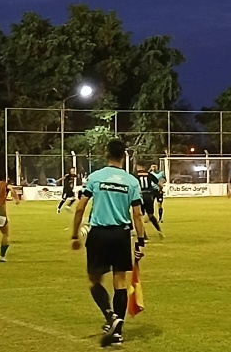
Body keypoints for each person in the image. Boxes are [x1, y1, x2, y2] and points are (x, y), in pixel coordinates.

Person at [71, 139, 146, 347]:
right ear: (124, 155)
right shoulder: (131, 181)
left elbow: (80, 207)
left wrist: (75, 235)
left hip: (99, 234)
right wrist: (140, 240)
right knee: (119, 282)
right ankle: (117, 333)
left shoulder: (96, 177)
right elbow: (137, 214)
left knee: (94, 279)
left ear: (106, 154)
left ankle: (110, 316)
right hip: (121, 234)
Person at [135, 163, 164, 240]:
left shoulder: (135, 175)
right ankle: (159, 230)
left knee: (139, 216)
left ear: (138, 167)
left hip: (140, 196)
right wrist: (160, 191)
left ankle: (144, 236)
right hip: (148, 196)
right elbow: (160, 185)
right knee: (150, 215)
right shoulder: (149, 174)